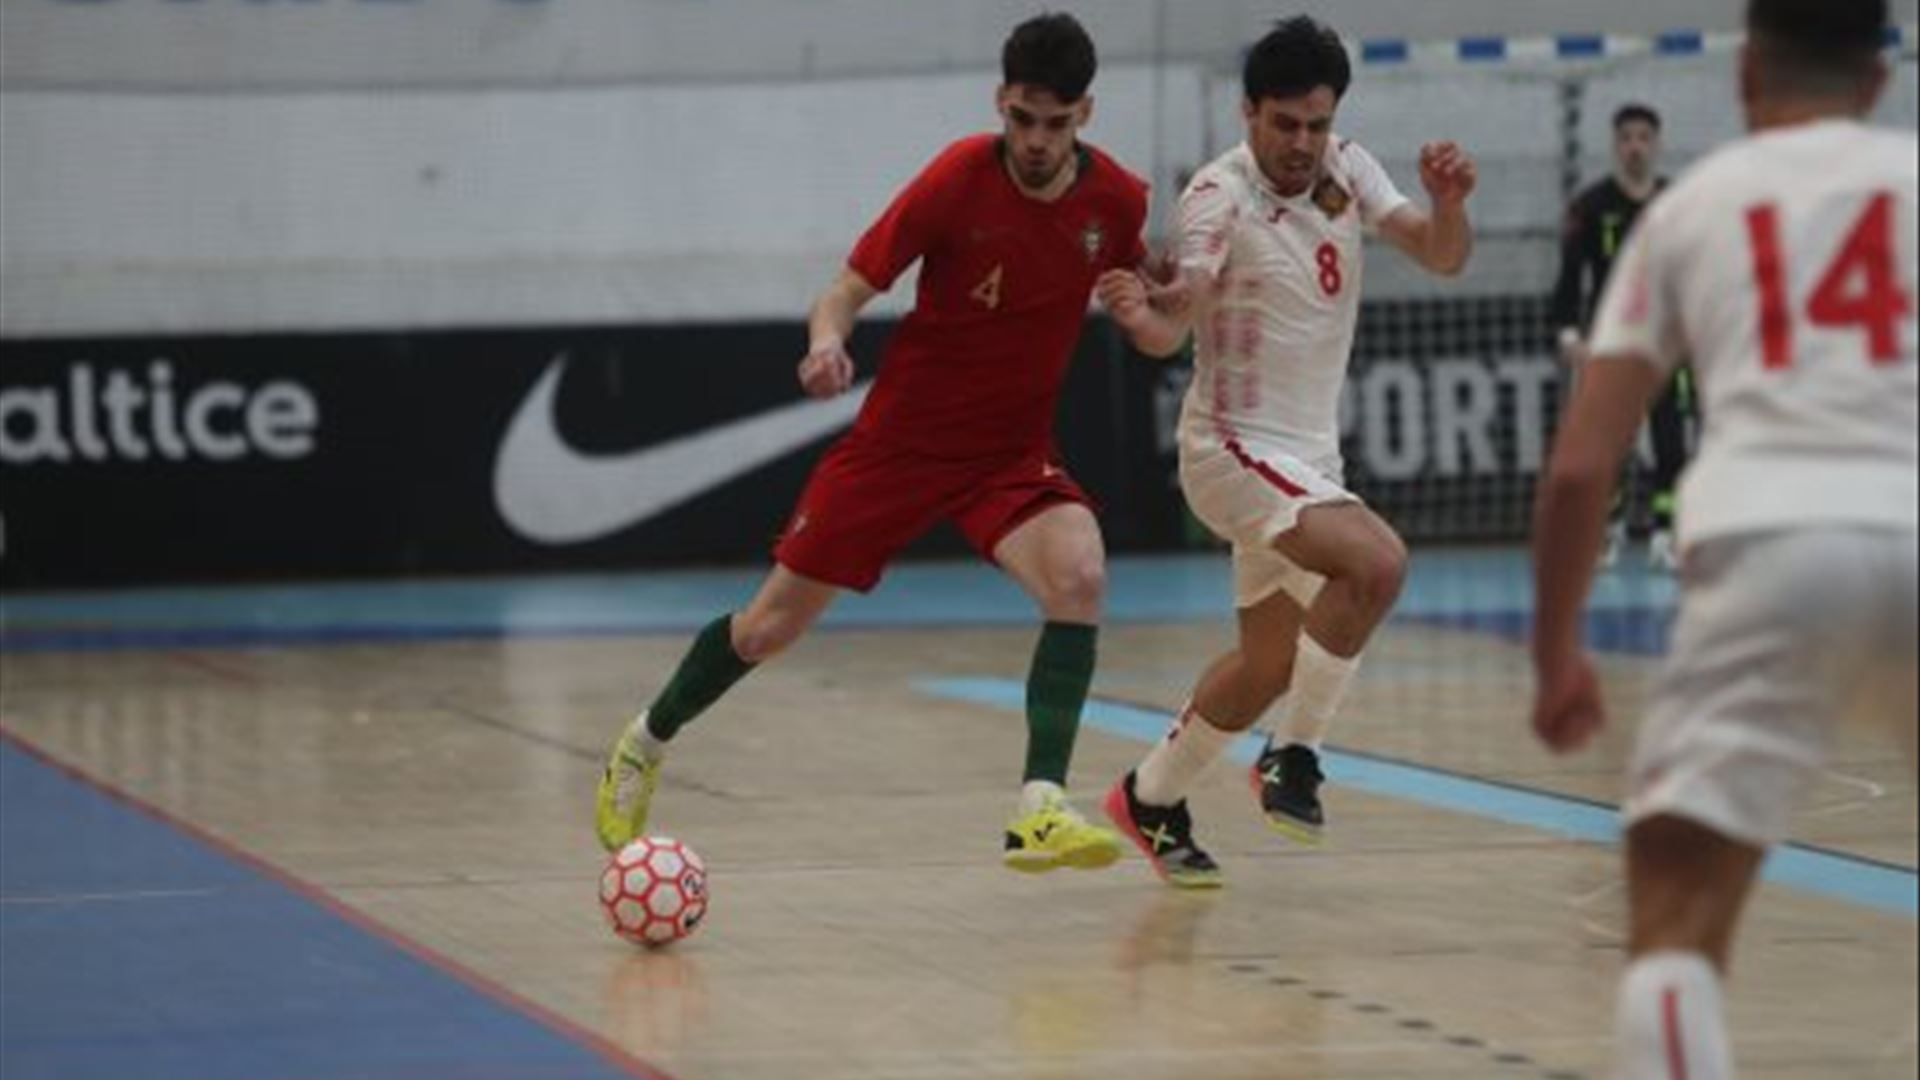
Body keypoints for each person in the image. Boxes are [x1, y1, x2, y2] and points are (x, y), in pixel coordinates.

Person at [595, 12, 1162, 873]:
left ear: (1084, 113)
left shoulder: (1117, 200)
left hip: (1008, 455)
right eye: (1021, 119)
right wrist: (827, 342)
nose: (1036, 141)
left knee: (1080, 575)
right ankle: (646, 738)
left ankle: (1040, 806)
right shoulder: (955, 180)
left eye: (1055, 122)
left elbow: (1145, 292)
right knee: (767, 630)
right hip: (900, 444)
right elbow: (845, 291)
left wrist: (1176, 297)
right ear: (1000, 103)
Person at [1531, 0, 1915, 1074]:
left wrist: (1559, 656)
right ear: (1880, 80)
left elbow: (1578, 467)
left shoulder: (1695, 209)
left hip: (1771, 546)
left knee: (1674, 908)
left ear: (1745, 72)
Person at [1092, 15, 1477, 887]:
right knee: (1377, 567)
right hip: (1231, 449)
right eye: (1284, 125)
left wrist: (1450, 205)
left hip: (1307, 461)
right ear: (1248, 113)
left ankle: (1149, 798)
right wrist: (1139, 315)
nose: (1302, 144)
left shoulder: (1349, 166)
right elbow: (1174, 317)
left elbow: (1441, 254)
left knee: (1268, 666)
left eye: (1316, 124)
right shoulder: (1216, 196)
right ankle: (1293, 756)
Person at [1550, 103, 1695, 571]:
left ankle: (1665, 536)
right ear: (1616, 145)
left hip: (1665, 344)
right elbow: (1571, 278)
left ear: (1657, 144)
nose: (1635, 146)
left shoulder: (1676, 202)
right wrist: (1569, 333)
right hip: (1610, 344)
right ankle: (1605, 532)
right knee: (1607, 445)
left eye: (1644, 137)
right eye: (1627, 137)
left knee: (1672, 443)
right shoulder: (1591, 206)